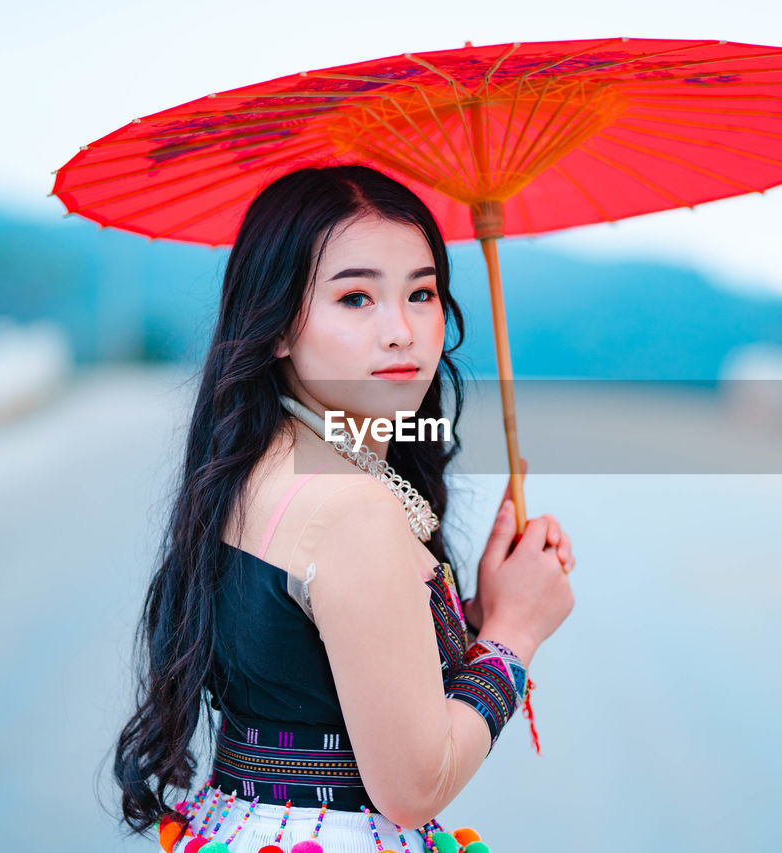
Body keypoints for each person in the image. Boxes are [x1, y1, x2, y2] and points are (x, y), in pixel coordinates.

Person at [113, 163, 576, 852]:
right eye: (356, 298)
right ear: (276, 326)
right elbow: (413, 786)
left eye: (422, 293)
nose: (401, 330)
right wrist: (515, 633)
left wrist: (473, 613)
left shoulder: (250, 463)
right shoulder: (354, 507)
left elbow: (310, 667)